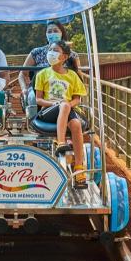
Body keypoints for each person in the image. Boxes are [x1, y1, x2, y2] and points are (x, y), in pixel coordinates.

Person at [34, 40, 88, 189]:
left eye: (55, 50)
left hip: (67, 109)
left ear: (64, 57)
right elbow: (38, 99)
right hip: (48, 110)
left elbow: (77, 99)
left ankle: (79, 167)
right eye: (50, 50)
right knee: (63, 104)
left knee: (76, 124)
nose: (51, 53)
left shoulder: (72, 75)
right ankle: (61, 141)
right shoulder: (43, 74)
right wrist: (57, 104)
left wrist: (67, 105)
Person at [19, 20, 68, 88]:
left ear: (61, 33)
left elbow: (78, 75)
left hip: (63, 88)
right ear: (46, 34)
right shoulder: (37, 52)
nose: (52, 33)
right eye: (49, 32)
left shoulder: (70, 54)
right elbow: (22, 74)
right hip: (39, 88)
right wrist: (24, 89)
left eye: (55, 31)